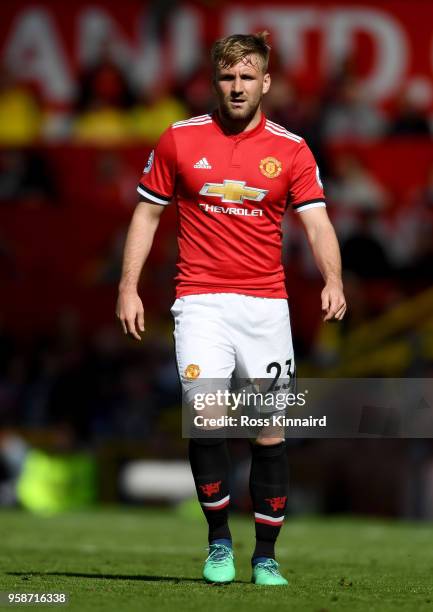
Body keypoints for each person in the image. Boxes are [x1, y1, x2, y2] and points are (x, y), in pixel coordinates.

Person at [116, 32, 346, 586]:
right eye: (228, 77)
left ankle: (265, 555)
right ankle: (219, 542)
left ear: (266, 83)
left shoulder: (292, 149)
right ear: (214, 81)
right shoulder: (178, 139)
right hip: (200, 303)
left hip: (267, 308)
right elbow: (146, 216)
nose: (237, 87)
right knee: (208, 420)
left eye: (247, 77)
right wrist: (128, 287)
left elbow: (317, 222)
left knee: (268, 434)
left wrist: (334, 279)